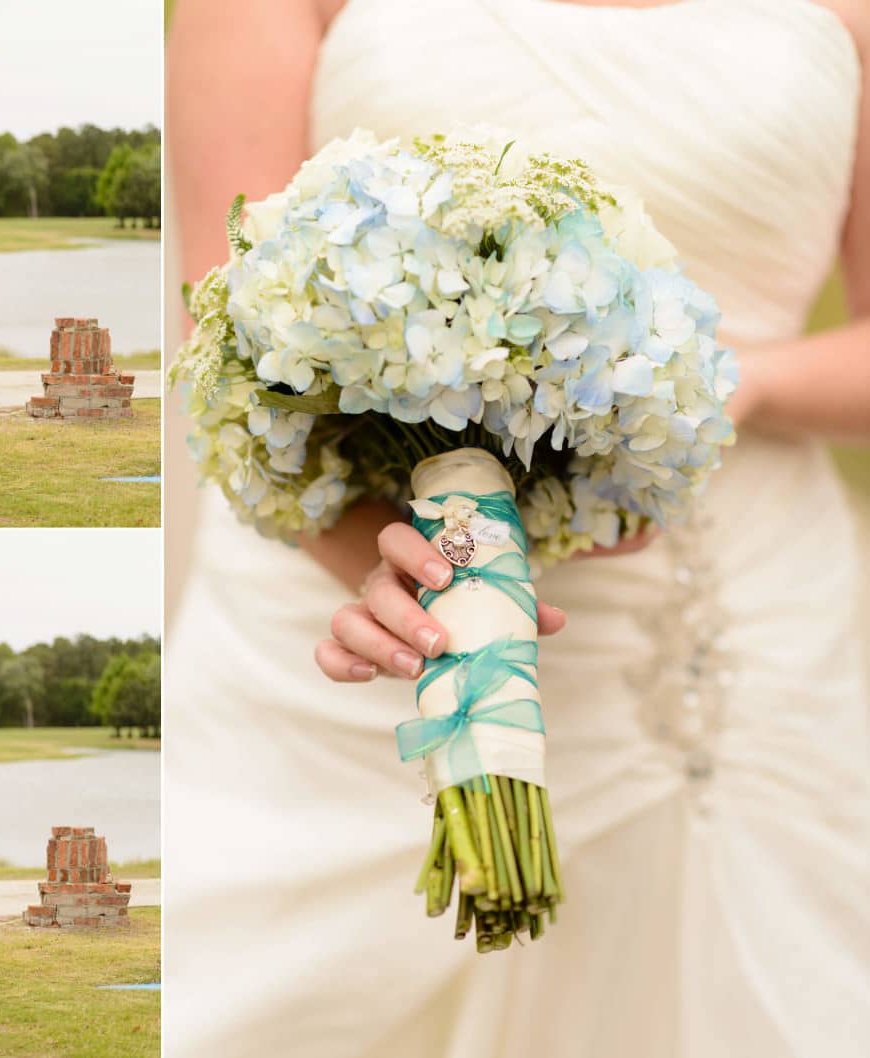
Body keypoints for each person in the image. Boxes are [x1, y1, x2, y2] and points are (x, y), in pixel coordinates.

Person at [164, 1, 870, 1055]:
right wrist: (384, 566)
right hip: (353, 644)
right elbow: (229, 334)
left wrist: (709, 392)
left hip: (741, 620)